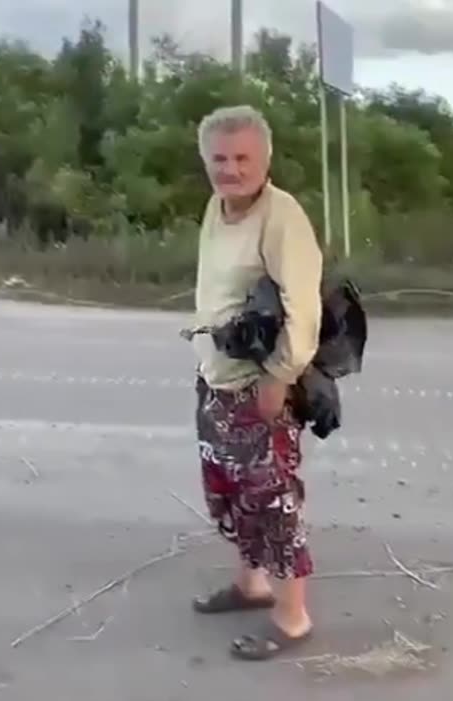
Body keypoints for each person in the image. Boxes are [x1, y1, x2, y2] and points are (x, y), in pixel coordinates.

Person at [188, 104, 324, 661]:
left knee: (273, 502)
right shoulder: (217, 208)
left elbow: (304, 309)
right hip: (217, 378)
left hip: (260, 382)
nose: (230, 168)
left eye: (243, 157)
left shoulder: (281, 217)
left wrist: (280, 376)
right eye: (219, 158)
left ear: (265, 159)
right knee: (230, 490)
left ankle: (292, 617)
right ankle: (251, 586)